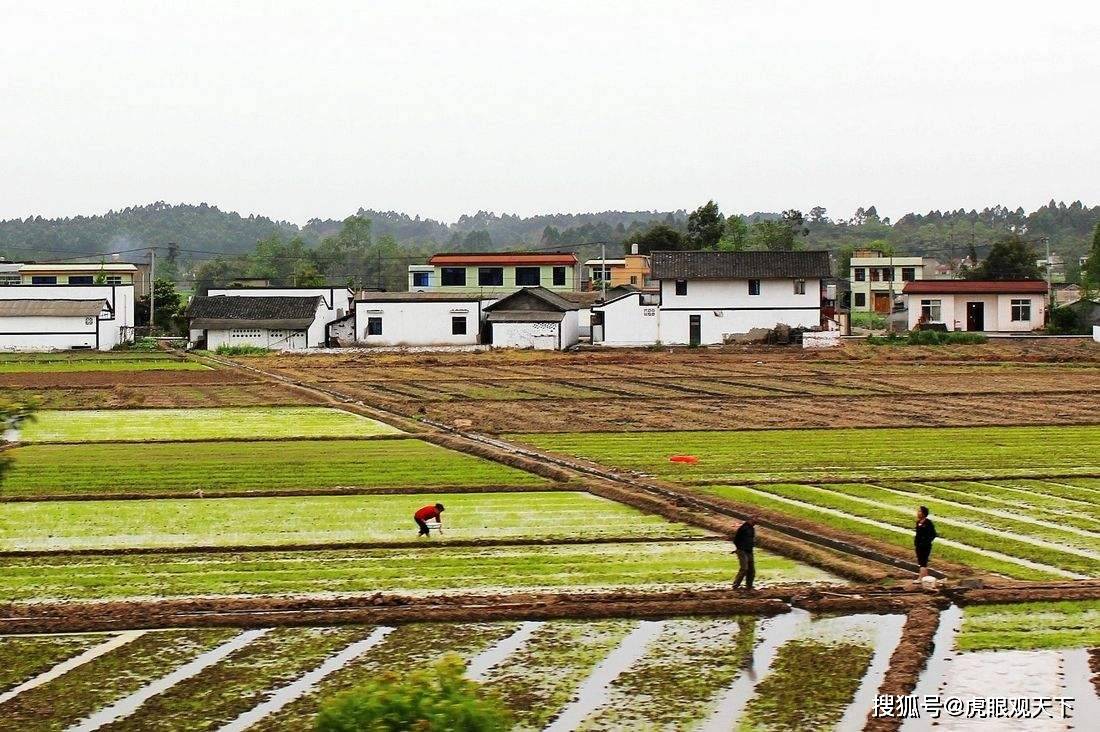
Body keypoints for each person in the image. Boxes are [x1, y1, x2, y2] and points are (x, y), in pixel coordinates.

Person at [732, 517, 756, 591]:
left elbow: (751, 540)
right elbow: (736, 539)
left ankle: (749, 586)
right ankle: (735, 585)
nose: (755, 522)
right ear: (750, 520)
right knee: (744, 568)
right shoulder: (743, 528)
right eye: (754, 520)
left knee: (751, 569)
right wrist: (739, 548)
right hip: (742, 550)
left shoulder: (752, 529)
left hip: (749, 551)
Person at [914, 505, 937, 580]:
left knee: (922, 562)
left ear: (924, 513)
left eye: (920, 511)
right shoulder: (918, 522)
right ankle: (926, 577)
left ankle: (921, 577)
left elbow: (933, 534)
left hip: (925, 546)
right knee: (921, 561)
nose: (918, 513)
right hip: (918, 545)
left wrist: (926, 542)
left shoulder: (928, 523)